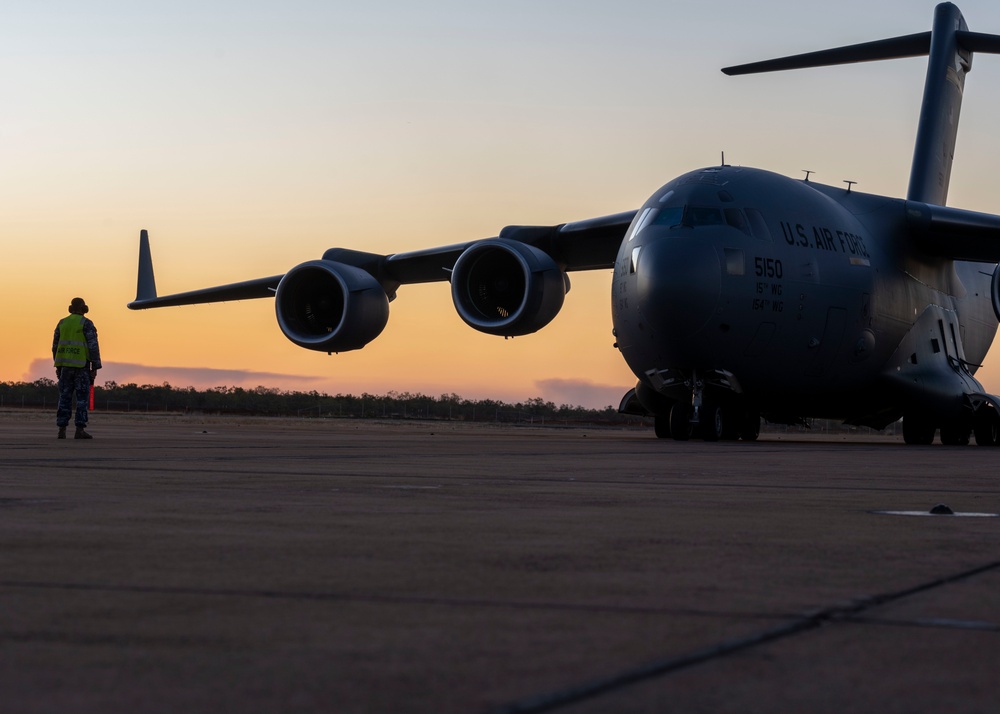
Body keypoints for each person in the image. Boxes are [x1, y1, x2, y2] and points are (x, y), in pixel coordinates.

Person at [53, 297, 102, 439]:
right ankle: (79, 429)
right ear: (84, 308)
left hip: (65, 367)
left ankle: (61, 429)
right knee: (82, 399)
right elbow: (93, 346)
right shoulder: (86, 323)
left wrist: (58, 365)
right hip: (81, 366)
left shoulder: (62, 323)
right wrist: (95, 366)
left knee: (64, 398)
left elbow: (55, 346)